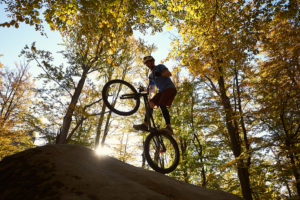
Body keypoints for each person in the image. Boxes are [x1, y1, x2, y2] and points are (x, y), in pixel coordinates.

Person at [133, 56, 177, 134]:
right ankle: (145, 125)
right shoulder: (150, 75)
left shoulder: (160, 66)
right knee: (150, 103)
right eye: (146, 63)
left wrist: (160, 74)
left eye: (149, 62)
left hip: (169, 88)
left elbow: (168, 73)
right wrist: (142, 91)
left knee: (162, 104)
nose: (147, 64)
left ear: (153, 61)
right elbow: (152, 89)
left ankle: (169, 127)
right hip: (161, 91)